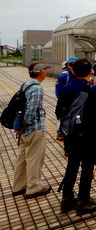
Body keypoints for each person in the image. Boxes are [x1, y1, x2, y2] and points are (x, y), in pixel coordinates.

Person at [56, 58, 96, 214]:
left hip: (71, 134)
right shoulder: (92, 89)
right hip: (88, 134)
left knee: (72, 165)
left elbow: (58, 111)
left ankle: (67, 199)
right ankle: (84, 200)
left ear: (73, 71)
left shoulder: (66, 88)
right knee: (87, 166)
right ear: (90, 72)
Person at [12, 62, 52, 199]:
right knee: (34, 158)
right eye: (45, 69)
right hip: (34, 129)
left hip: (23, 131)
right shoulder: (37, 88)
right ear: (40, 72)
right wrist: (24, 125)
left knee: (22, 158)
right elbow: (31, 110)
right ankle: (33, 188)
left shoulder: (26, 84)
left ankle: (19, 186)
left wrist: (20, 127)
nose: (46, 72)